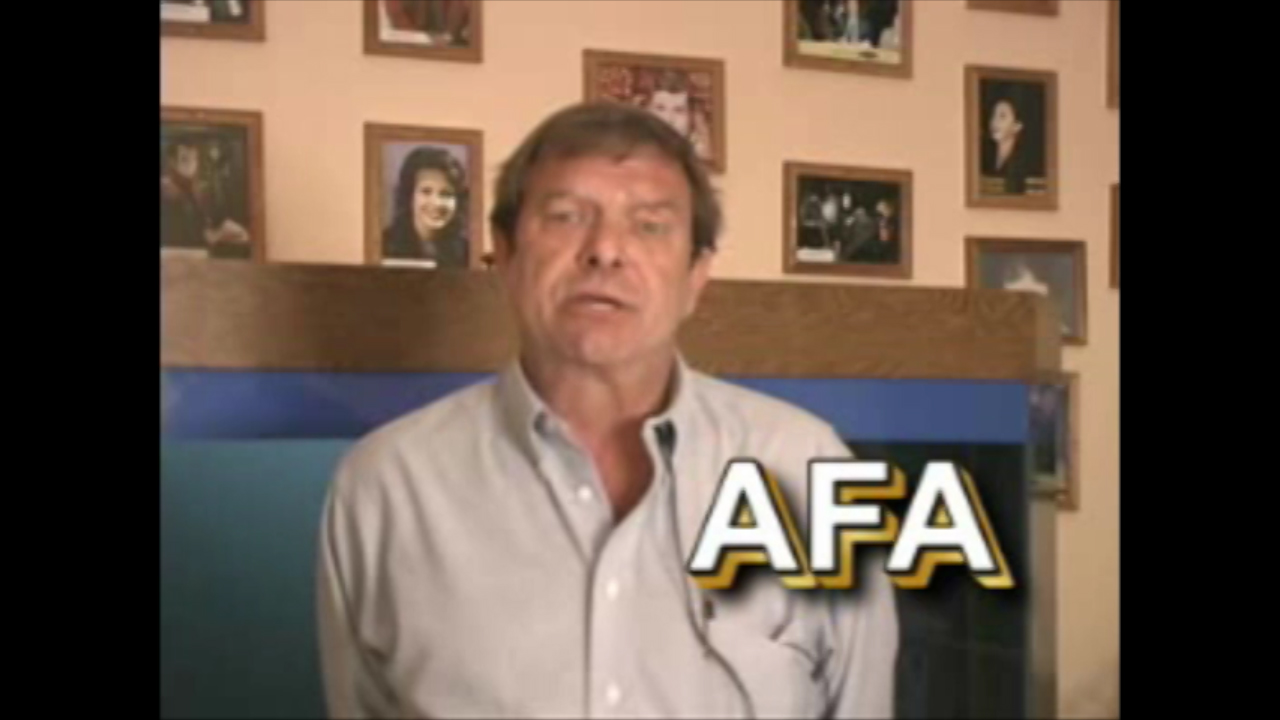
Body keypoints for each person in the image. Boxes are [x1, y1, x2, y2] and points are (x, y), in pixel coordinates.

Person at [316, 101, 898, 718]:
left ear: (697, 275)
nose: (605, 250)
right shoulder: (386, 488)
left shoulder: (807, 469)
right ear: (505, 254)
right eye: (566, 217)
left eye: (649, 225)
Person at [381, 146, 470, 268]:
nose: (436, 203)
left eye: (446, 194)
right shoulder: (384, 245)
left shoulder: (467, 252)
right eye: (426, 191)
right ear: (409, 195)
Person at [986, 97, 1030, 195]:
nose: (995, 122)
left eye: (1002, 116)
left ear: (1016, 126)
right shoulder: (983, 158)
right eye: (993, 115)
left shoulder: (1023, 164)